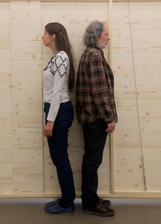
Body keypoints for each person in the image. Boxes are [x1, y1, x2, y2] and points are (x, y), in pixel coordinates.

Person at [75, 20, 118, 217]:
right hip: (95, 119)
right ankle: (90, 202)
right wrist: (109, 118)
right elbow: (100, 92)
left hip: (91, 118)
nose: (108, 38)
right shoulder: (94, 56)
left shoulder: (91, 54)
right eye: (106, 34)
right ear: (96, 36)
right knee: (92, 162)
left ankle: (91, 197)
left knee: (92, 161)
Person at [42, 22, 76, 214]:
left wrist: (51, 120)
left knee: (60, 158)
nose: (42, 37)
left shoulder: (61, 57)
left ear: (53, 36)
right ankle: (66, 198)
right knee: (58, 157)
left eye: (45, 33)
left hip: (59, 111)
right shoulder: (56, 58)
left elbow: (57, 92)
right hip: (55, 110)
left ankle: (67, 203)